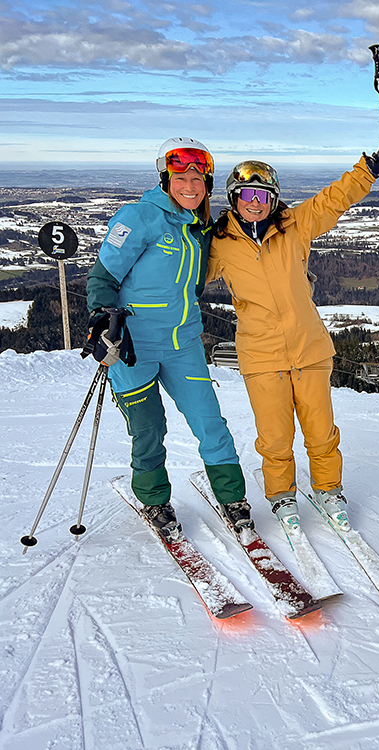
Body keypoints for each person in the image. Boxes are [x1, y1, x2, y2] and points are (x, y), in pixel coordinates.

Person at [207, 138, 379, 531]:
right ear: (233, 197)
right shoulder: (217, 244)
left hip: (309, 349)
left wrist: (371, 167)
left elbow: (333, 200)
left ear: (273, 198)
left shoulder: (295, 227)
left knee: (321, 432)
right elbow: (179, 275)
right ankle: (282, 496)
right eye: (246, 193)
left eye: (263, 194)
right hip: (261, 357)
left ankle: (329, 490)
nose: (255, 201)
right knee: (275, 438)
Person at [86, 137, 250, 538]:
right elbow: (103, 276)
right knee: (149, 430)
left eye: (198, 178)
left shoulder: (201, 228)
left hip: (185, 347)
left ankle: (233, 499)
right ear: (166, 178)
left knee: (210, 423)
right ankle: (155, 501)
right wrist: (103, 320)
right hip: (133, 350)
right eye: (181, 177)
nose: (190, 186)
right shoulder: (139, 218)